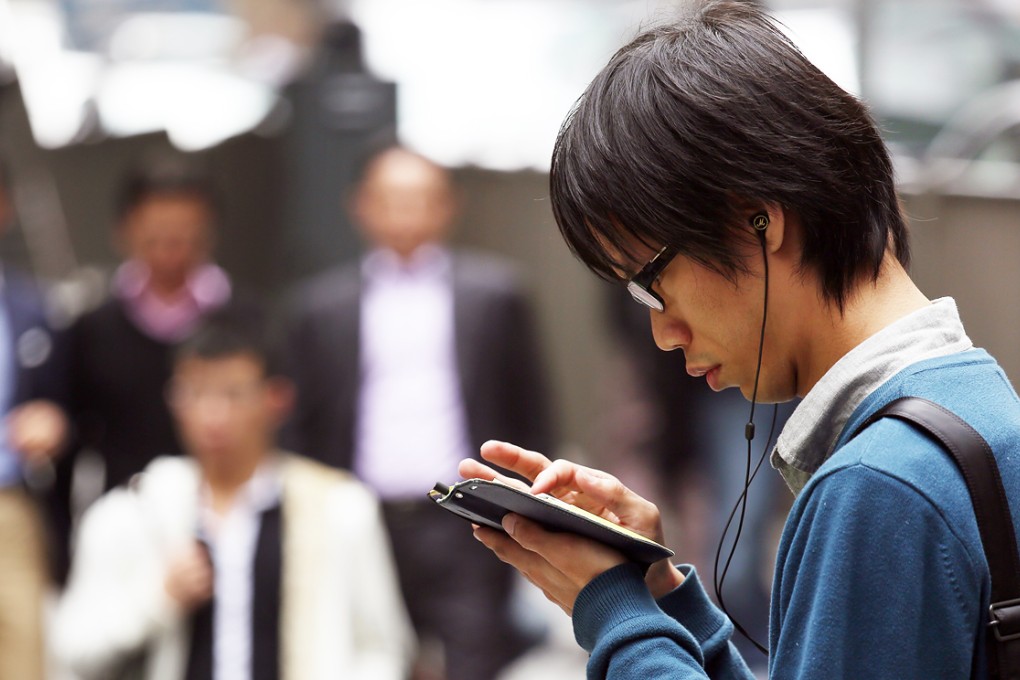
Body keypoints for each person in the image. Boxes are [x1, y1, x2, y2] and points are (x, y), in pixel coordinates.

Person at [460, 1, 1020, 678]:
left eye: (651, 282)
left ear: (757, 216)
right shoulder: (975, 404)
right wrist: (671, 605)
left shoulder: (878, 488)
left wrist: (614, 608)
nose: (663, 332)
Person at [284, 143, 553, 680]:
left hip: (465, 512)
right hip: (361, 513)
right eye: (391, 199)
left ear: (447, 205)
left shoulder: (496, 296)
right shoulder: (320, 308)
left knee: (477, 655)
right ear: (361, 206)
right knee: (370, 658)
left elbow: (530, 408)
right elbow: (303, 424)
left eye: (420, 198)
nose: (405, 213)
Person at [52, 310, 414, 680]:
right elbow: (70, 648)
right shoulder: (134, 510)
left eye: (233, 394)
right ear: (173, 399)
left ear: (277, 399)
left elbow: (382, 650)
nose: (213, 415)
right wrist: (157, 599)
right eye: (196, 393)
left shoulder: (339, 507)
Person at [50, 162, 238, 578]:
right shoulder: (92, 329)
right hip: (126, 527)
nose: (171, 245)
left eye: (185, 230)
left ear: (209, 231)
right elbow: (71, 444)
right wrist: (63, 550)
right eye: (156, 230)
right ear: (125, 230)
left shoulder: (242, 321)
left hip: (227, 526)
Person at [0, 159, 69, 680]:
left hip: (12, 505)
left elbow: (66, 403)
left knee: (22, 655)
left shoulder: (33, 307)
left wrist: (53, 422)